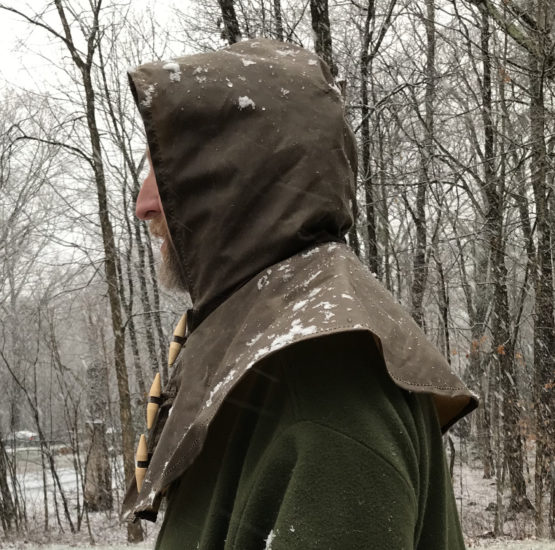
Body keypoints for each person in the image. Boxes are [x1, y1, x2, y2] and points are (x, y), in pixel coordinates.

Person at [122, 38, 477, 549]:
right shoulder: (269, 357)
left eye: (165, 167)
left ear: (238, 179)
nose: (143, 203)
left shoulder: (319, 385)